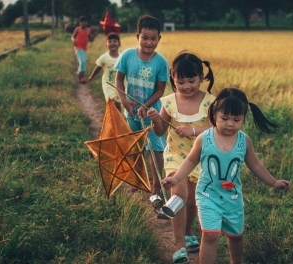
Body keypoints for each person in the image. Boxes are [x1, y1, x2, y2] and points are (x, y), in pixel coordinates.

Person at [161, 88, 291, 264]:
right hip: (208, 196)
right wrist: (176, 178)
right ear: (215, 114)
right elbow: (190, 161)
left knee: (236, 237)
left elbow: (256, 165)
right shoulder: (204, 138)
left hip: (233, 199)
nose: (230, 124)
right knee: (211, 235)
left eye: (236, 120)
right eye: (225, 118)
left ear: (244, 119)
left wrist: (273, 182)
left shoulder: (243, 141)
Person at [147, 51, 215, 264]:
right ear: (172, 79)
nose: (186, 86)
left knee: (193, 203)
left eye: (191, 81)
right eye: (180, 81)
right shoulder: (168, 102)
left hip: (200, 158)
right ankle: (179, 247)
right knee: (179, 196)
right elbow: (159, 132)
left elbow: (217, 128)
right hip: (176, 156)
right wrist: (155, 120)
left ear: (201, 77)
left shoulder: (210, 102)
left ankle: (187, 233)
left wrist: (193, 131)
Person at [114, 15, 169, 197]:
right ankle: (137, 179)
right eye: (144, 37)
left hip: (152, 113)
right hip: (131, 112)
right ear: (138, 36)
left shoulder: (160, 62)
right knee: (135, 146)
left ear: (159, 39)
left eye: (153, 38)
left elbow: (160, 91)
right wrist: (124, 100)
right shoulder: (127, 55)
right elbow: (119, 80)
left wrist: (145, 106)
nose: (148, 42)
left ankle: (156, 186)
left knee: (156, 149)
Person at [87, 32, 122, 111]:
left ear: (119, 43)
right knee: (111, 102)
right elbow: (98, 68)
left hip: (119, 85)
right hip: (108, 84)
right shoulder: (104, 57)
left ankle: (118, 120)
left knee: (118, 104)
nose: (112, 43)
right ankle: (112, 120)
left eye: (115, 41)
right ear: (106, 44)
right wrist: (91, 77)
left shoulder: (122, 57)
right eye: (110, 41)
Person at [71, 15, 97, 84]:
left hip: (85, 49)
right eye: (82, 22)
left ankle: (79, 74)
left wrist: (94, 35)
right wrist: (74, 40)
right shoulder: (77, 29)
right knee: (82, 62)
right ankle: (81, 77)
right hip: (78, 48)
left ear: (86, 22)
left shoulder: (88, 30)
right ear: (80, 23)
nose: (83, 23)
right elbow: (73, 37)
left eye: (84, 22)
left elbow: (90, 39)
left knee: (82, 63)